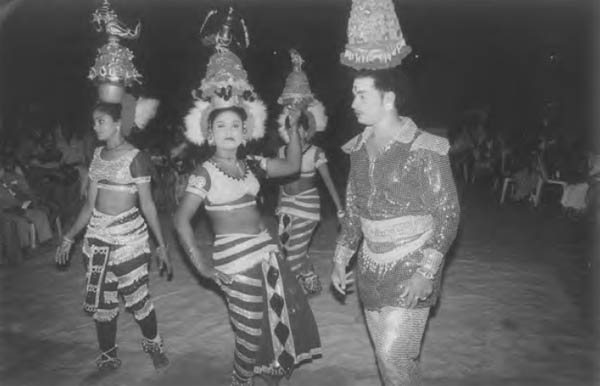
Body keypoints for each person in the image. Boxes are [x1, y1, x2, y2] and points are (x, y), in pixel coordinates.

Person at [174, 47, 321, 386]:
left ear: (244, 132)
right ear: (209, 134)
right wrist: (202, 267)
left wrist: (295, 128)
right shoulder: (204, 173)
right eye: (221, 125)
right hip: (234, 261)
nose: (229, 130)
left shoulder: (252, 163)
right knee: (250, 332)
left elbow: (293, 166)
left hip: (267, 252)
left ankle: (267, 379)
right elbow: (181, 220)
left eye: (236, 125)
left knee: (276, 321)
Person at [330, 68, 460, 386]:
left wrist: (425, 272)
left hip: (412, 264)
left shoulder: (425, 148)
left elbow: (448, 213)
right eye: (353, 95)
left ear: (388, 98)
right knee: (389, 360)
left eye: (362, 96)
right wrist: (340, 257)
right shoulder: (357, 149)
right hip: (369, 267)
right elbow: (354, 208)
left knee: (394, 355)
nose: (353, 103)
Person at [54, 102, 172, 371]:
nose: (95, 126)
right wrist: (70, 236)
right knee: (102, 301)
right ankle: (108, 355)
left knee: (137, 298)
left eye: (101, 121)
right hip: (96, 238)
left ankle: (154, 344)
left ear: (117, 123)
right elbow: (89, 205)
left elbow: (148, 205)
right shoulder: (96, 155)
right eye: (94, 121)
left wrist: (162, 245)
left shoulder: (136, 157)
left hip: (129, 240)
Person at [275, 49, 344, 295]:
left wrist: (339, 208)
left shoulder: (315, 152)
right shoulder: (283, 151)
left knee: (292, 255)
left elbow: (327, 180)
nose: (297, 134)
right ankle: (310, 277)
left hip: (307, 207)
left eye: (301, 130)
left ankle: (290, 294)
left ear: (308, 131)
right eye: (292, 130)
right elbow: (279, 180)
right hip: (285, 205)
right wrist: (279, 204)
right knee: (287, 247)